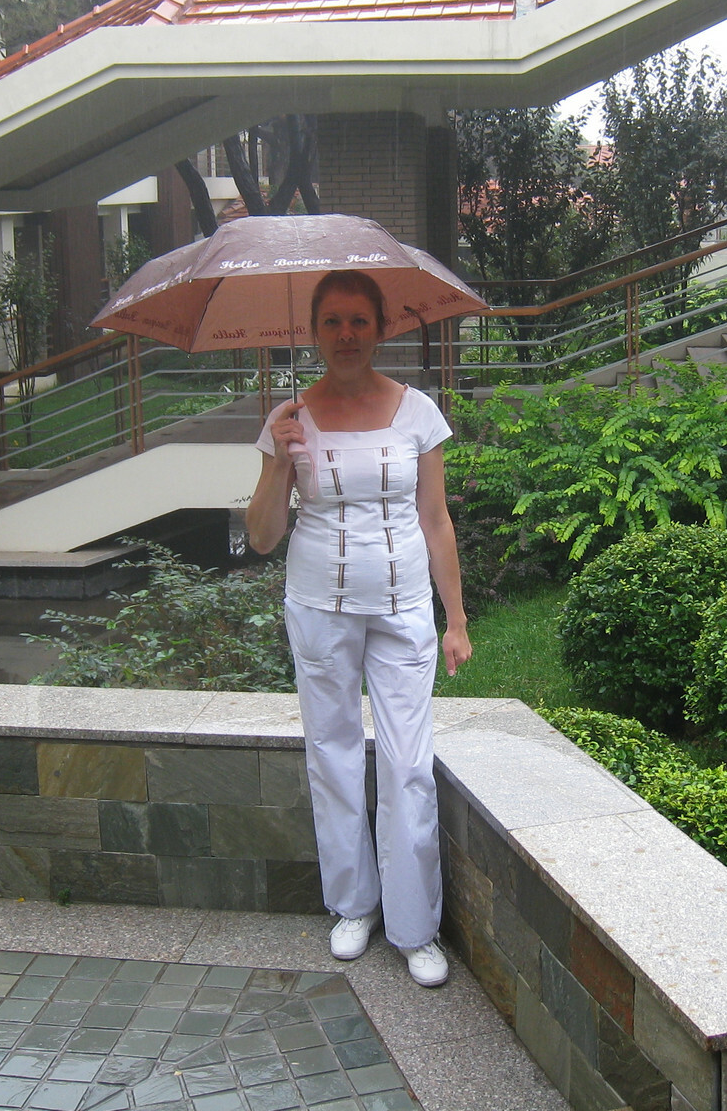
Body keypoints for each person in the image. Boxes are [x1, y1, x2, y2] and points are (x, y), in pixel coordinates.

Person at [245, 268, 471, 988]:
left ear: (380, 328)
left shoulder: (417, 413)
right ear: (314, 331)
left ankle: (414, 926)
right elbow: (261, 537)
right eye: (332, 322)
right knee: (333, 752)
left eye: (358, 321)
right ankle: (352, 905)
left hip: (403, 607)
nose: (346, 335)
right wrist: (279, 462)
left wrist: (456, 618)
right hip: (318, 606)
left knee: (407, 765)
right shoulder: (289, 418)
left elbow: (436, 520)